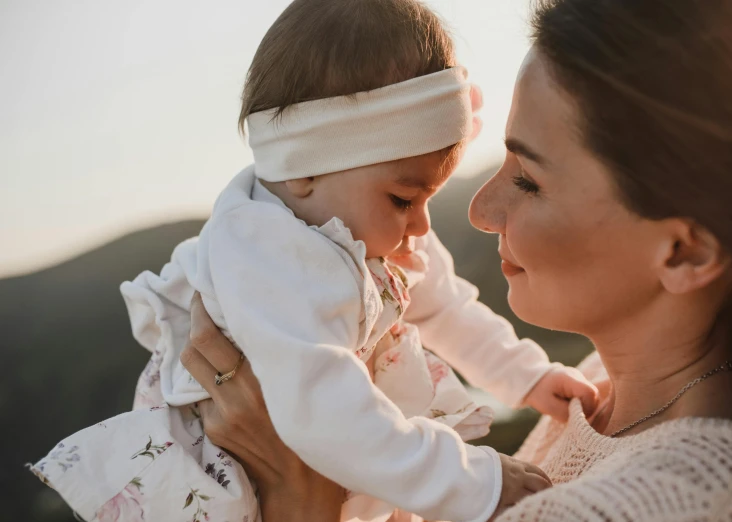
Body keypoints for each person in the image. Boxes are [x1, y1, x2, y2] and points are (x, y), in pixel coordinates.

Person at [179, 0, 732, 520]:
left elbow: (445, 306)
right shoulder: (610, 389)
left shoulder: (685, 500)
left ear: (685, 249)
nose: (479, 210)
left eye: (529, 181)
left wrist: (295, 497)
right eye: (403, 196)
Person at [29, 1, 599, 522]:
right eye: (404, 198)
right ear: (302, 168)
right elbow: (325, 414)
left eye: (429, 196)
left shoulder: (367, 226)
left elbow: (446, 306)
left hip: (333, 462)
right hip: (232, 483)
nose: (422, 225)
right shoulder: (267, 257)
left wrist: (527, 375)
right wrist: (472, 482)